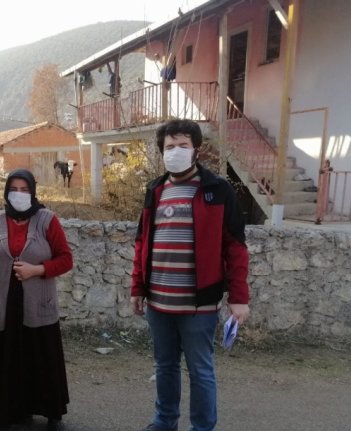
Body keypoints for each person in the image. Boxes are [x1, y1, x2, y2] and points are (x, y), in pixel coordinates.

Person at [130, 119, 250, 431]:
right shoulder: (155, 190)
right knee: (165, 366)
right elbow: (142, 241)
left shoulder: (217, 189)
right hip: (158, 303)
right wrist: (137, 287)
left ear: (196, 149)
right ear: (161, 152)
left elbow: (236, 247)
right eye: (169, 146)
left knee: (201, 370)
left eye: (183, 145)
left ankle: (202, 427)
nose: (176, 151)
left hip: (200, 305)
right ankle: (164, 421)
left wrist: (239, 298)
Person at [0, 169, 73, 431]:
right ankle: (13, 411)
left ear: (33, 192)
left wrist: (37, 270)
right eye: (14, 190)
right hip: (6, 306)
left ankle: (51, 413)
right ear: (6, 192)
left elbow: (66, 259)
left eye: (24, 190)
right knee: (8, 360)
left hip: (38, 306)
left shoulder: (47, 220)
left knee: (41, 357)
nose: (19, 194)